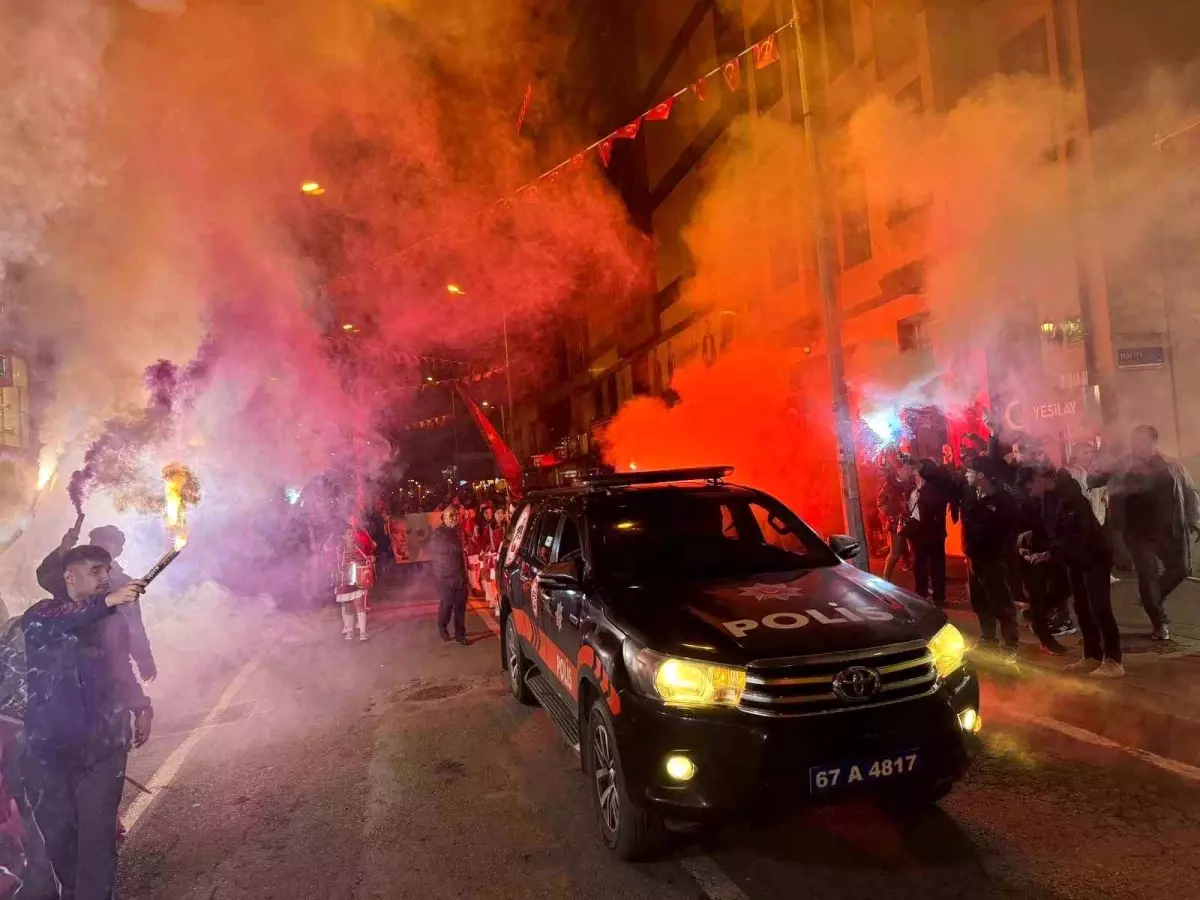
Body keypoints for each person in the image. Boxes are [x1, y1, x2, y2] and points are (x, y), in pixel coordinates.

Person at [21, 545, 152, 900]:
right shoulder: (40, 615)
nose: (105, 578)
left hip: (104, 745)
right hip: (48, 750)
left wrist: (141, 705)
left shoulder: (111, 619)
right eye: (95, 571)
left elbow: (120, 667)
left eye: (106, 570)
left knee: (96, 840)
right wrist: (107, 603)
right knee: (60, 840)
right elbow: (58, 624)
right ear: (69, 577)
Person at [1091, 425, 1200, 641]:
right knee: (1147, 573)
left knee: (1181, 570)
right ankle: (1158, 621)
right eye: (1134, 441)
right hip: (1138, 531)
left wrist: (1194, 519)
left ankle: (1151, 597)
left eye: (1142, 440)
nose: (1137, 445)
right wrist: (1100, 466)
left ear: (1154, 442)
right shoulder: (1123, 464)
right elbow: (1094, 480)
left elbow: (1190, 491)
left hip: (1170, 528)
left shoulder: (1171, 465)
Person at [1022, 466, 1124, 678]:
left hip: (1095, 557)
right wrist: (1034, 542)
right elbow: (1050, 529)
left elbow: (1076, 535)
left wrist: (1051, 554)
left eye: (1030, 487)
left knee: (1100, 608)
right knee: (1081, 607)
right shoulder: (1049, 498)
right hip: (1074, 560)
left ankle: (1114, 660)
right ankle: (1092, 655)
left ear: (1041, 480)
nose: (1030, 492)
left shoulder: (1072, 499)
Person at [38, 524, 159, 683]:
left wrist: (144, 660)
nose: (102, 547)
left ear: (118, 551)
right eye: (98, 541)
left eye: (109, 543)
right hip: (69, 655)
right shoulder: (72, 573)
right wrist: (63, 549)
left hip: (109, 658)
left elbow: (133, 625)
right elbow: (47, 577)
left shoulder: (123, 582)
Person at [962, 457, 1023, 660]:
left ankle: (1011, 646)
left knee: (1001, 602)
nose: (966, 474)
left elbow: (1010, 529)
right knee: (979, 600)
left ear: (982, 475)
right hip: (973, 558)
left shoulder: (1003, 499)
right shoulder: (970, 493)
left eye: (969, 471)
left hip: (994, 558)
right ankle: (988, 640)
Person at [905, 459, 959, 608]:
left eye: (917, 470)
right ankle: (927, 594)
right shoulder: (918, 487)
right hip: (923, 534)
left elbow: (924, 509)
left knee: (932, 565)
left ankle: (934, 596)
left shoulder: (933, 489)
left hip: (929, 533)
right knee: (923, 565)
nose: (914, 473)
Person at [330, 516, 376, 642]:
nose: (351, 536)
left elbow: (366, 557)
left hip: (357, 578)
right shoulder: (338, 550)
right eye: (348, 534)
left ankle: (362, 632)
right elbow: (334, 563)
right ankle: (350, 631)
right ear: (343, 536)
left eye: (352, 534)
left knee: (359, 605)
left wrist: (371, 559)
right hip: (344, 580)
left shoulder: (358, 546)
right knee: (347, 607)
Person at [429, 507, 469, 645]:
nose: (454, 518)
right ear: (444, 517)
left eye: (455, 515)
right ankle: (442, 626)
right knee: (447, 604)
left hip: (460, 574)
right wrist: (457, 547)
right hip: (445, 576)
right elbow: (438, 549)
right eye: (451, 515)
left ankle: (460, 634)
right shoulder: (438, 533)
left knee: (460, 606)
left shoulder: (459, 531)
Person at [877, 455, 915, 583]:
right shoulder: (889, 486)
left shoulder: (912, 483)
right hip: (896, 523)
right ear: (898, 470)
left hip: (912, 521)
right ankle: (886, 579)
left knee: (916, 551)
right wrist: (891, 515)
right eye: (906, 468)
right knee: (894, 554)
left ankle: (922, 580)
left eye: (910, 468)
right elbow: (881, 502)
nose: (909, 471)